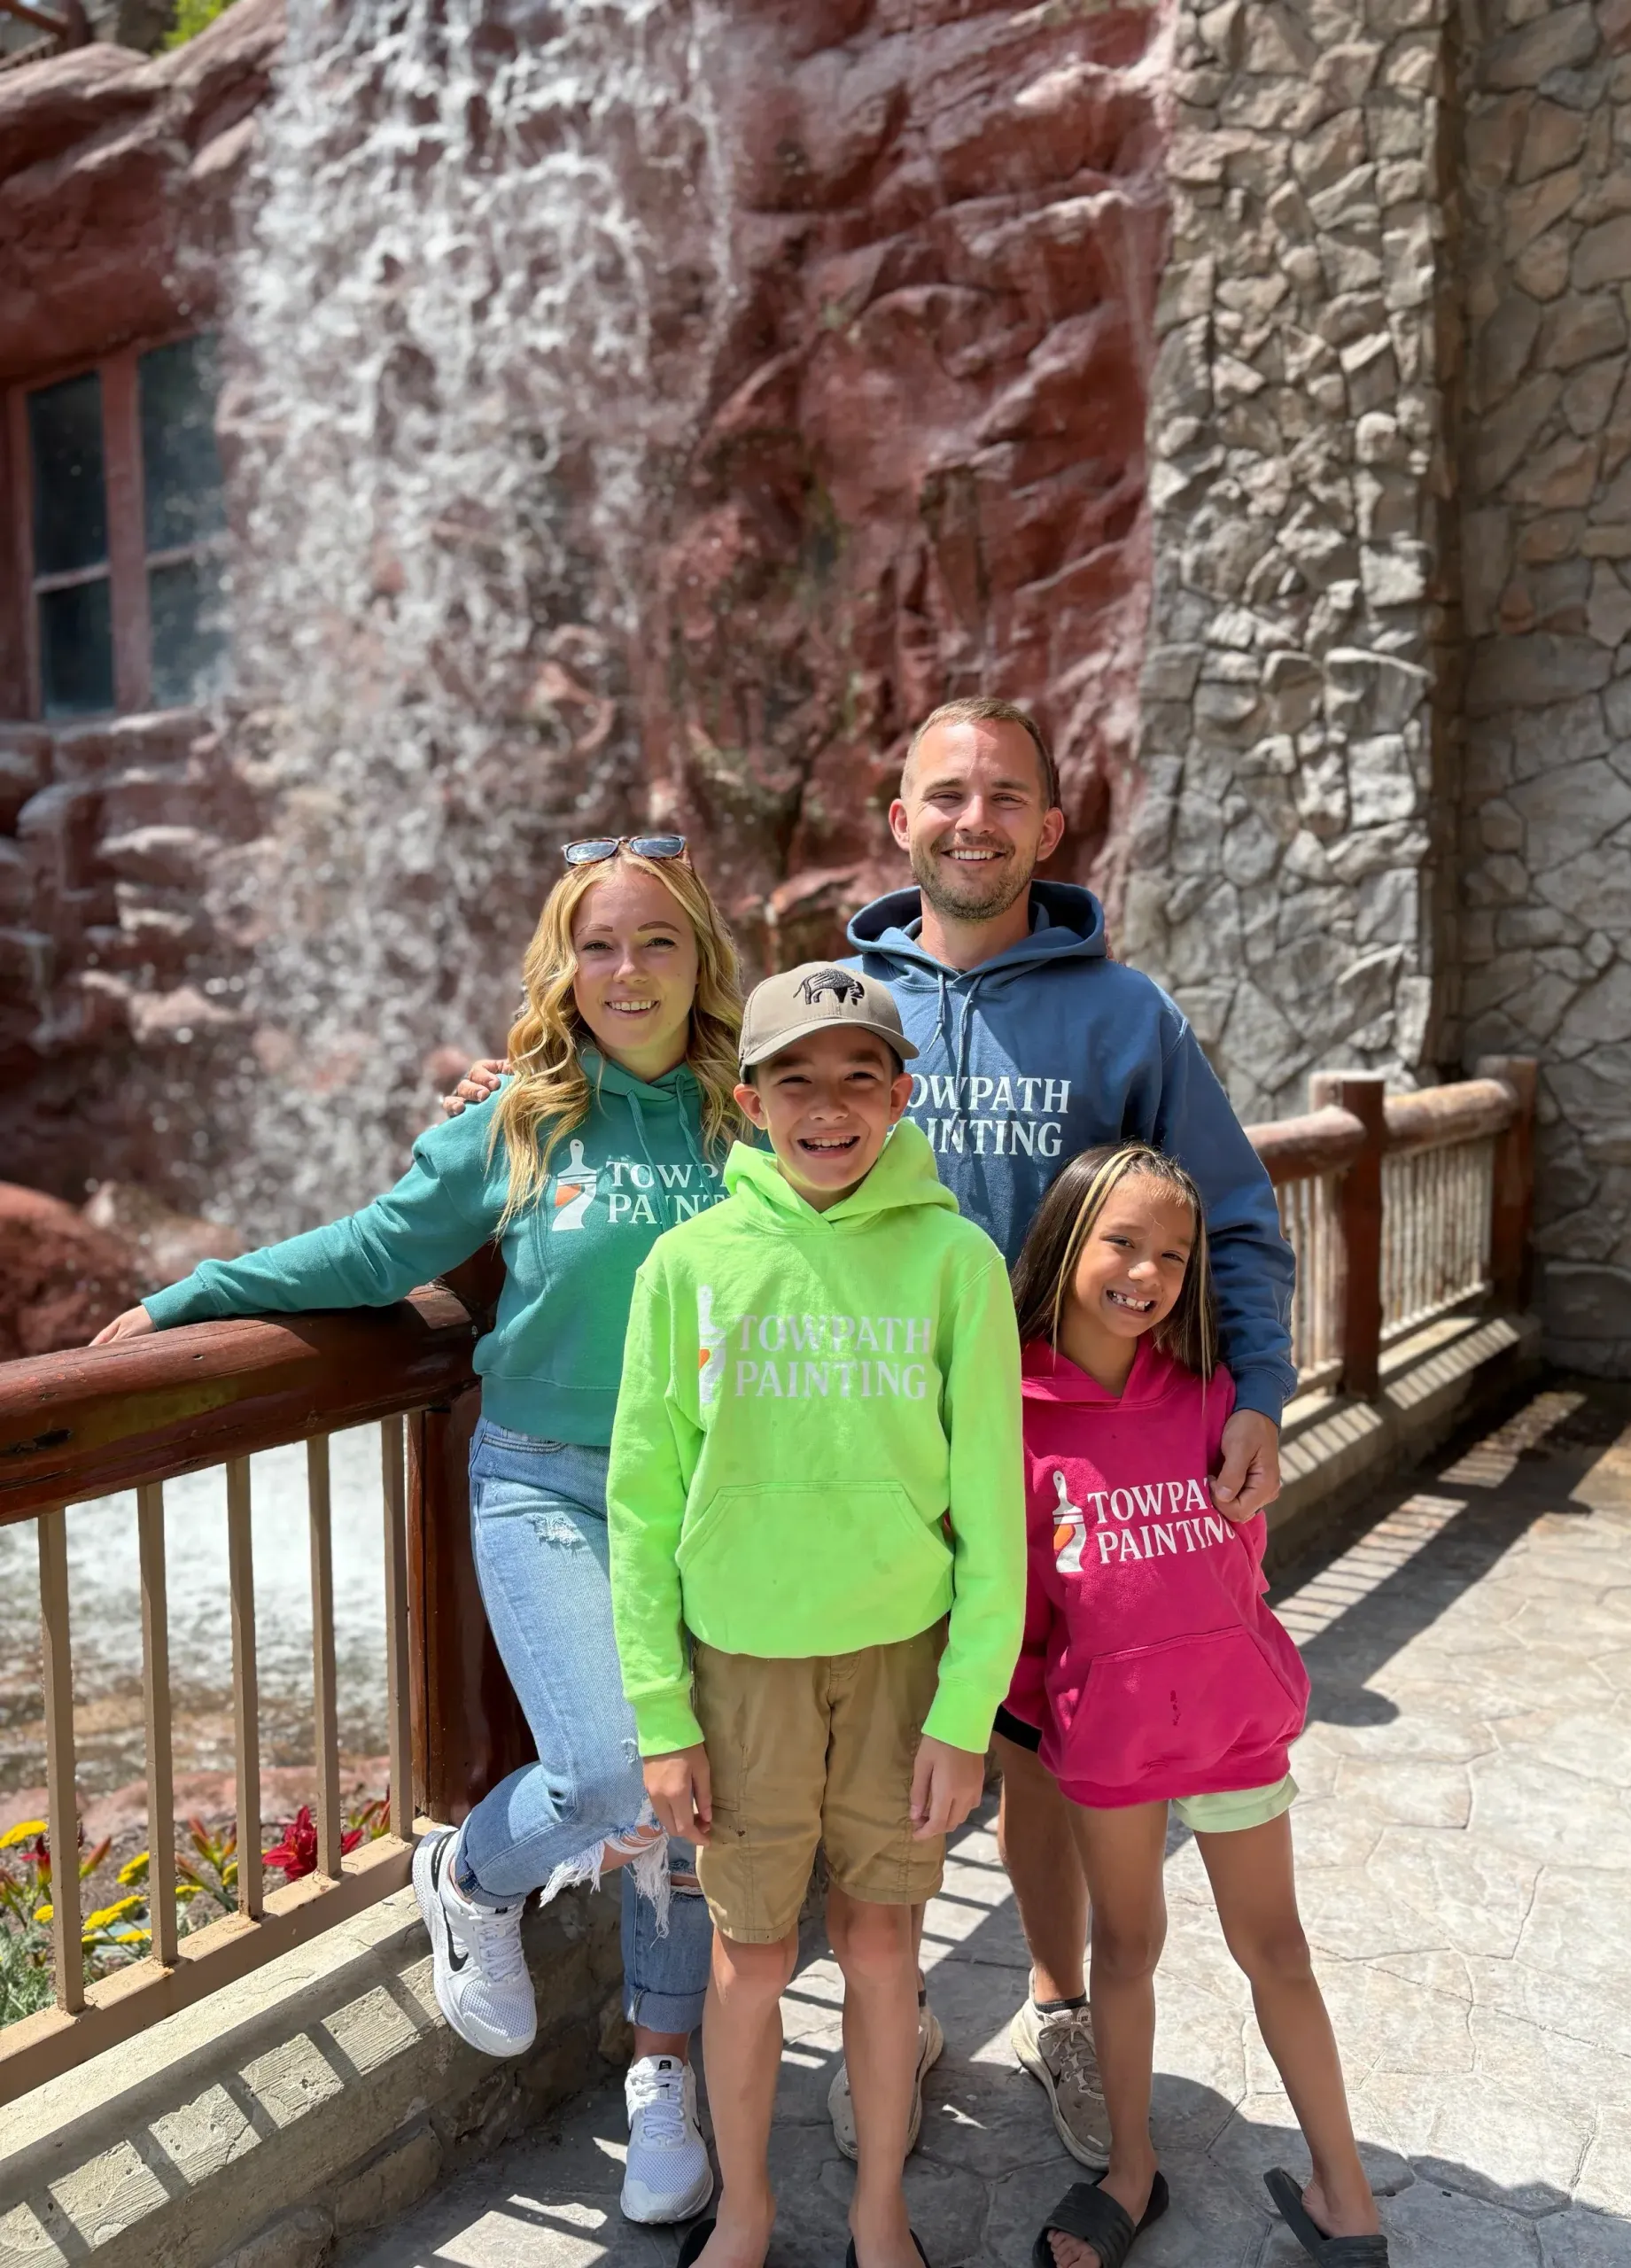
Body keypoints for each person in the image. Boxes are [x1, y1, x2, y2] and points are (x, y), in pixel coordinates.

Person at [445, 695, 1297, 2167]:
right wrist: (510, 1094)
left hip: (1063, 1446)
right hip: (856, 1452)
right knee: (850, 1758)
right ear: (898, 822)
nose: (974, 818)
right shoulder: (840, 993)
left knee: (1036, 1741)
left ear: (1047, 822)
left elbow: (1226, 1212)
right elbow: (680, 1064)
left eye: (1006, 795)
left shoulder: (1121, 1013)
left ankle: (1058, 2001)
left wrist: (1264, 1395)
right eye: (944, 794)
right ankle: (885, 2022)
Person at [91, 836, 748, 2229]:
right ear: (565, 972)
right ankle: (468, 1871)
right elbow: (378, 1252)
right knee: (620, 1771)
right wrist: (189, 1297)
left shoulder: (741, 1127)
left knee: (689, 1812)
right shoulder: (517, 1118)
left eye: (657, 943)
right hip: (542, 1485)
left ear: (704, 963)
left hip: (703, 1508)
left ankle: (662, 2077)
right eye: (601, 945)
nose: (627, 971)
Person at [605, 963, 1027, 2268]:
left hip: (904, 1667)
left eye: (860, 1079)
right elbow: (640, 1498)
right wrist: (661, 1715)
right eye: (797, 1079)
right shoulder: (688, 1264)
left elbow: (994, 1517)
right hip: (740, 1670)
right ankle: (745, 2210)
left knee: (884, 1940)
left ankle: (878, 2210)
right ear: (749, 1100)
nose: (829, 1108)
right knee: (749, 1951)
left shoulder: (957, 1261)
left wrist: (968, 1715)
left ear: (904, 1096)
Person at [1006, 1142, 1383, 2268]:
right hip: (1109, 1744)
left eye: (1174, 1252)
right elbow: (1021, 1606)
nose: (1147, 1271)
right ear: (1066, 1242)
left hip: (1231, 1728)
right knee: (1124, 1948)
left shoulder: (1222, 1398)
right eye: (1122, 1242)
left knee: (1280, 1948)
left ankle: (1344, 2189)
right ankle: (1131, 2171)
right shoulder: (1012, 1416)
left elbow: (1241, 1567)